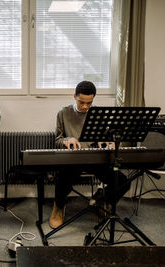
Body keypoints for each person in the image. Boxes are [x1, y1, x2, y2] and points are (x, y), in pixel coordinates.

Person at [49, 81, 130, 229]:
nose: (85, 107)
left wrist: (105, 142)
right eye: (82, 102)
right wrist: (67, 140)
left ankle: (102, 198)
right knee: (62, 177)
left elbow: (105, 138)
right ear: (74, 96)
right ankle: (58, 207)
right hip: (73, 159)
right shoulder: (64, 112)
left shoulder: (98, 114)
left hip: (96, 159)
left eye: (89, 103)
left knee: (123, 181)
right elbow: (57, 140)